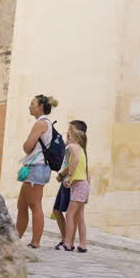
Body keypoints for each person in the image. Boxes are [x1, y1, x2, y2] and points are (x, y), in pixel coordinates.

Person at [16, 94, 58, 248]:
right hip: (37, 168)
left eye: (32, 103)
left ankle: (35, 242)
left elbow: (28, 147)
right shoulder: (45, 123)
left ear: (40, 106)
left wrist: (25, 144)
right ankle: (16, 238)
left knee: (35, 205)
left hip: (37, 168)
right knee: (22, 205)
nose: (30, 106)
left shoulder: (40, 123)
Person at [57, 120, 90, 253]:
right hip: (84, 185)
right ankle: (82, 244)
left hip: (78, 185)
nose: (68, 134)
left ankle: (68, 243)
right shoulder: (82, 150)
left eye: (71, 133)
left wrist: (69, 176)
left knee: (70, 215)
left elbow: (75, 159)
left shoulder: (71, 147)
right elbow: (87, 171)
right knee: (79, 217)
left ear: (77, 137)